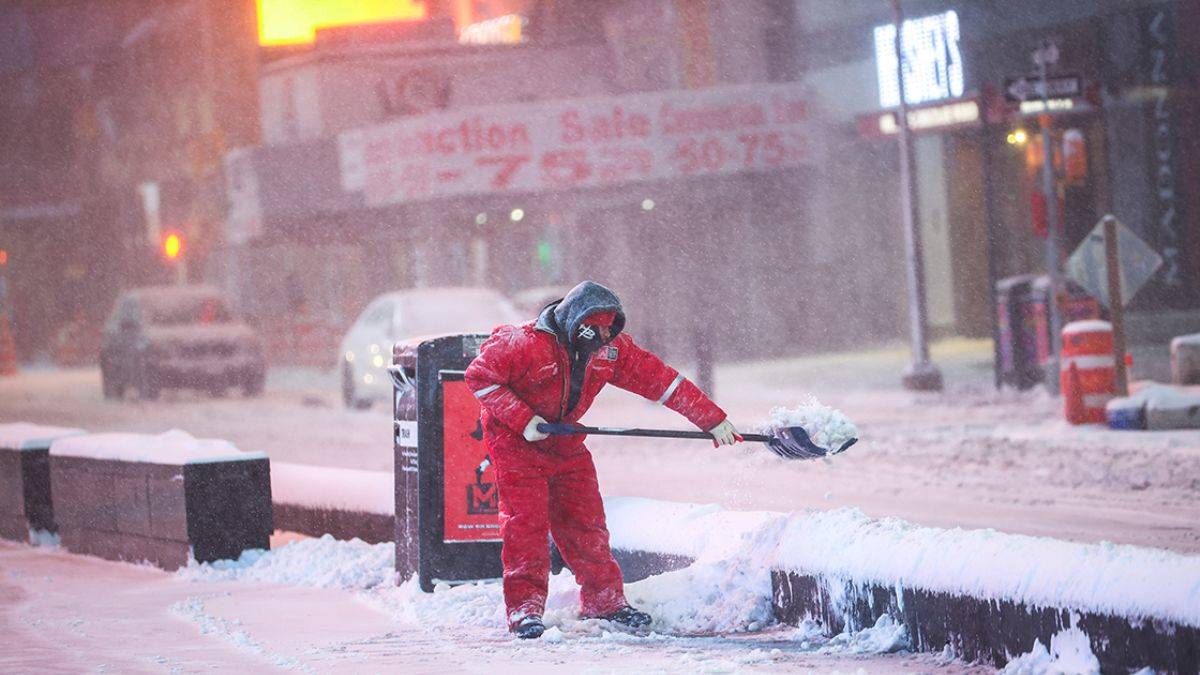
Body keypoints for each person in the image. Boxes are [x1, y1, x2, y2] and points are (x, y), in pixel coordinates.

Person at [464, 281, 742, 639]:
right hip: (516, 445)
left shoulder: (609, 349)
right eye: (594, 329)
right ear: (574, 321)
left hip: (565, 441)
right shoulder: (522, 343)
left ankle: (605, 601)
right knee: (526, 526)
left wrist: (712, 419)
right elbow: (480, 377)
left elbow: (660, 380)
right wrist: (523, 420)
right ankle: (524, 609)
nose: (602, 336)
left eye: (608, 329)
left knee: (586, 523)